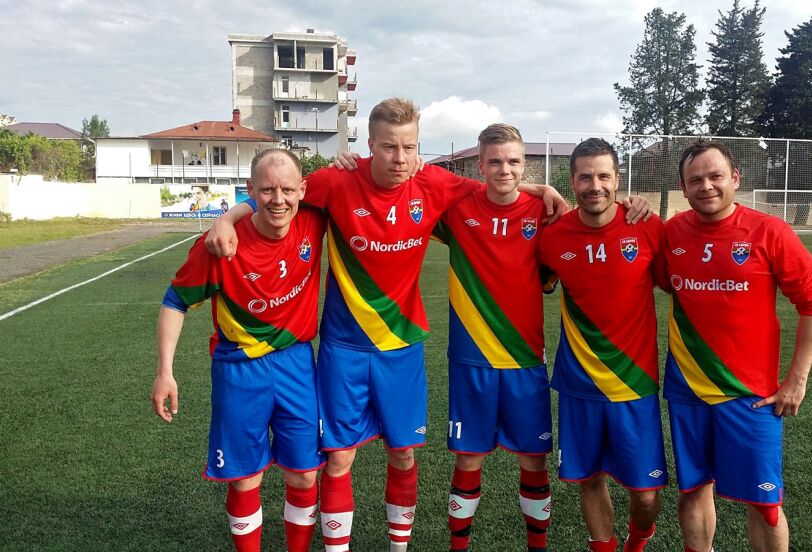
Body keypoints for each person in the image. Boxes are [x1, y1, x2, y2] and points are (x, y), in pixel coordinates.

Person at [204, 98, 568, 552]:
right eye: (390, 147)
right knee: (339, 458)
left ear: (418, 148)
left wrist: (542, 190)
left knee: (403, 452)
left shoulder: (434, 182)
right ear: (370, 145)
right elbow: (278, 191)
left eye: (409, 147)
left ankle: (399, 547)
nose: (400, 158)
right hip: (343, 348)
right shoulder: (336, 181)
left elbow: (497, 186)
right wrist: (229, 215)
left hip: (402, 347)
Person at [151, 149, 324, 552]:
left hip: (297, 363)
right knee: (246, 477)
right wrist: (165, 371)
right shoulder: (218, 246)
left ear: (303, 189)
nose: (277, 199)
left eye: (286, 189)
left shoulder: (315, 221)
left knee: (303, 474)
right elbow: (175, 301)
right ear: (250, 191)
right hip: (239, 369)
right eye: (266, 190)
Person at [662, 139, 812, 552]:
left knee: (765, 504)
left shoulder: (769, 231)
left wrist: (797, 380)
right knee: (693, 492)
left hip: (751, 395)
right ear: (683, 188)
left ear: (735, 178)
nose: (707, 186)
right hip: (687, 389)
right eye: (695, 179)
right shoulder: (672, 233)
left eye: (716, 176)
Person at [537, 138, 668, 552]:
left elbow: (678, 286)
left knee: (646, 497)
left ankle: (636, 541)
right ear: (572, 182)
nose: (595, 185)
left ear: (618, 179)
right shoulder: (553, 237)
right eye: (585, 177)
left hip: (635, 384)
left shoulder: (646, 226)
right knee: (589, 479)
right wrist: (539, 189)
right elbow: (542, 282)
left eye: (604, 176)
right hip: (579, 384)